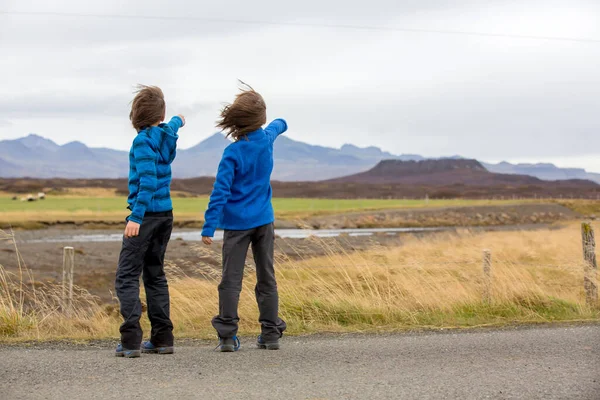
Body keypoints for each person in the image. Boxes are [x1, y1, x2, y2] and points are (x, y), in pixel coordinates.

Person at [202, 84, 287, 352]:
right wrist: (276, 121)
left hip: (236, 226)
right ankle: (271, 334)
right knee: (266, 276)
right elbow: (280, 124)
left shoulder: (233, 152)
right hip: (264, 222)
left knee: (231, 279)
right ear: (260, 119)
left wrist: (209, 225)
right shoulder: (267, 138)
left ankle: (227, 337)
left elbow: (220, 191)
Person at [115, 85, 185, 358]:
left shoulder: (143, 141)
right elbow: (174, 125)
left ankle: (131, 340)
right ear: (160, 115)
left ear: (136, 115)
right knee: (155, 275)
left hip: (145, 216)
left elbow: (148, 182)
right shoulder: (166, 135)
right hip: (165, 215)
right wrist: (178, 119)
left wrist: (135, 217)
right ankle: (162, 338)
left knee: (126, 277)